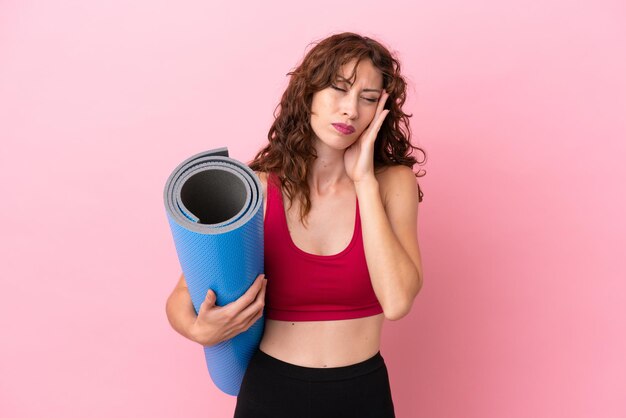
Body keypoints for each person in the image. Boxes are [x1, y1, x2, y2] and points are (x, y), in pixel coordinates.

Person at [165, 31, 425, 418]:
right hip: (270, 393)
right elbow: (182, 298)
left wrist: (364, 182)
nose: (351, 110)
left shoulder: (390, 184)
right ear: (309, 94)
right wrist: (199, 330)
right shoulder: (257, 188)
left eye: (368, 99)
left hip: (362, 394)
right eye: (338, 89)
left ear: (379, 112)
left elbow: (397, 301)